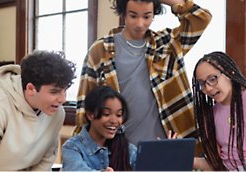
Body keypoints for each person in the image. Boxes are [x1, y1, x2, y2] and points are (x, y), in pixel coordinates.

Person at [75, 0, 212, 146]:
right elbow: (84, 105)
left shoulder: (167, 44)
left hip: (169, 145)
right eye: (133, 16)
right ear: (124, 14)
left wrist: (169, 1)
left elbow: (201, 19)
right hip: (119, 150)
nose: (140, 24)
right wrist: (79, 150)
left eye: (147, 17)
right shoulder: (100, 50)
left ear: (154, 14)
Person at [192, 51, 246, 171]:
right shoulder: (210, 117)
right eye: (202, 84)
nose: (208, 88)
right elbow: (216, 166)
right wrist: (177, 154)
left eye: (212, 79)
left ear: (228, 72)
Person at [62, 86, 137, 171]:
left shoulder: (129, 150)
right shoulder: (72, 147)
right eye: (107, 114)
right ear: (90, 114)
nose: (114, 121)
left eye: (119, 115)